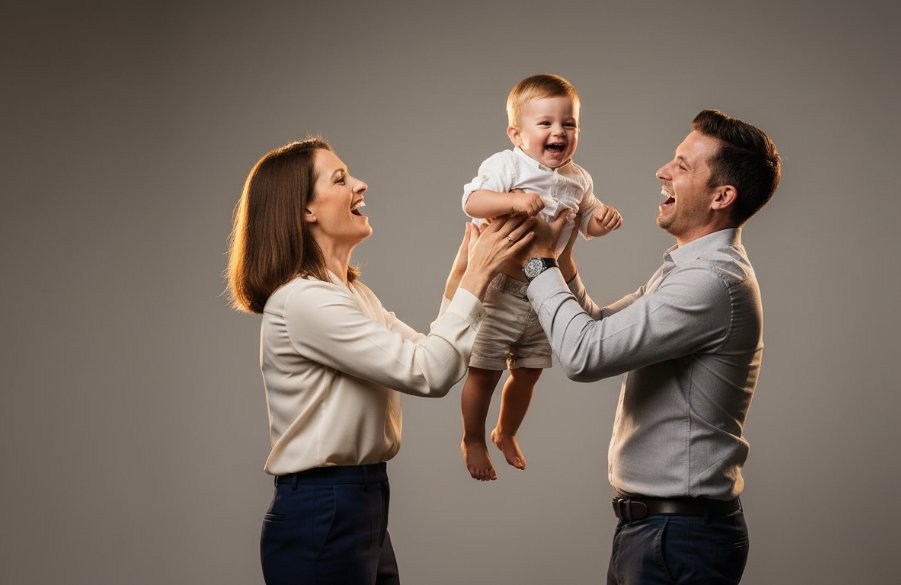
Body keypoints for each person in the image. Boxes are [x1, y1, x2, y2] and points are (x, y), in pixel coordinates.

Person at [226, 138, 534, 585]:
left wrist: (461, 275)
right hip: (324, 506)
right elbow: (430, 373)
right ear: (305, 210)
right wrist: (478, 276)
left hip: (361, 501)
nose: (360, 185)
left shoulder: (350, 295)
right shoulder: (303, 301)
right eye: (340, 179)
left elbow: (433, 354)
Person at [520, 109, 781, 584]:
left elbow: (584, 354)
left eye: (682, 165)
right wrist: (560, 259)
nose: (662, 171)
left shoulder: (710, 282)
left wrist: (538, 264)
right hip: (659, 532)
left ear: (722, 196)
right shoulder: (687, 270)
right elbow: (598, 326)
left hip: (678, 537)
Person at [459, 73, 623, 480]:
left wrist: (601, 219)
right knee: (485, 371)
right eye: (545, 124)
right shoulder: (506, 164)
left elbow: (585, 223)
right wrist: (512, 199)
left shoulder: (578, 178)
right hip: (502, 288)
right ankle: (474, 437)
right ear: (516, 134)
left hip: (546, 293)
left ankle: (506, 430)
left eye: (568, 124)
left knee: (529, 371)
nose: (559, 132)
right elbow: (472, 201)